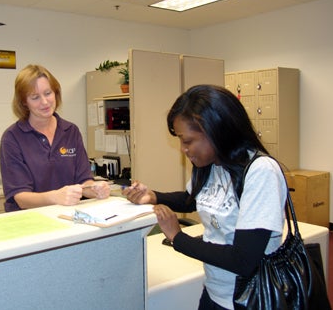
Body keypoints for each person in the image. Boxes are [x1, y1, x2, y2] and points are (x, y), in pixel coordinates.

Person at [123, 85, 287, 309]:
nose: (183, 149)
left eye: (187, 140)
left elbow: (243, 260)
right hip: (214, 291)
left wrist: (178, 238)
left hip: (250, 299)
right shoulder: (212, 164)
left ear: (216, 131)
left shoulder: (261, 172)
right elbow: (191, 200)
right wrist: (152, 196)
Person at [0, 64, 110, 212]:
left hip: (67, 217)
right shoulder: (12, 138)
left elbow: (83, 181)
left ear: (55, 93)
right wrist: (55, 197)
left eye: (48, 93)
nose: (45, 102)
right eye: (35, 97)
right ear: (24, 102)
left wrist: (94, 190)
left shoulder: (70, 131)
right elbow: (20, 197)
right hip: (29, 221)